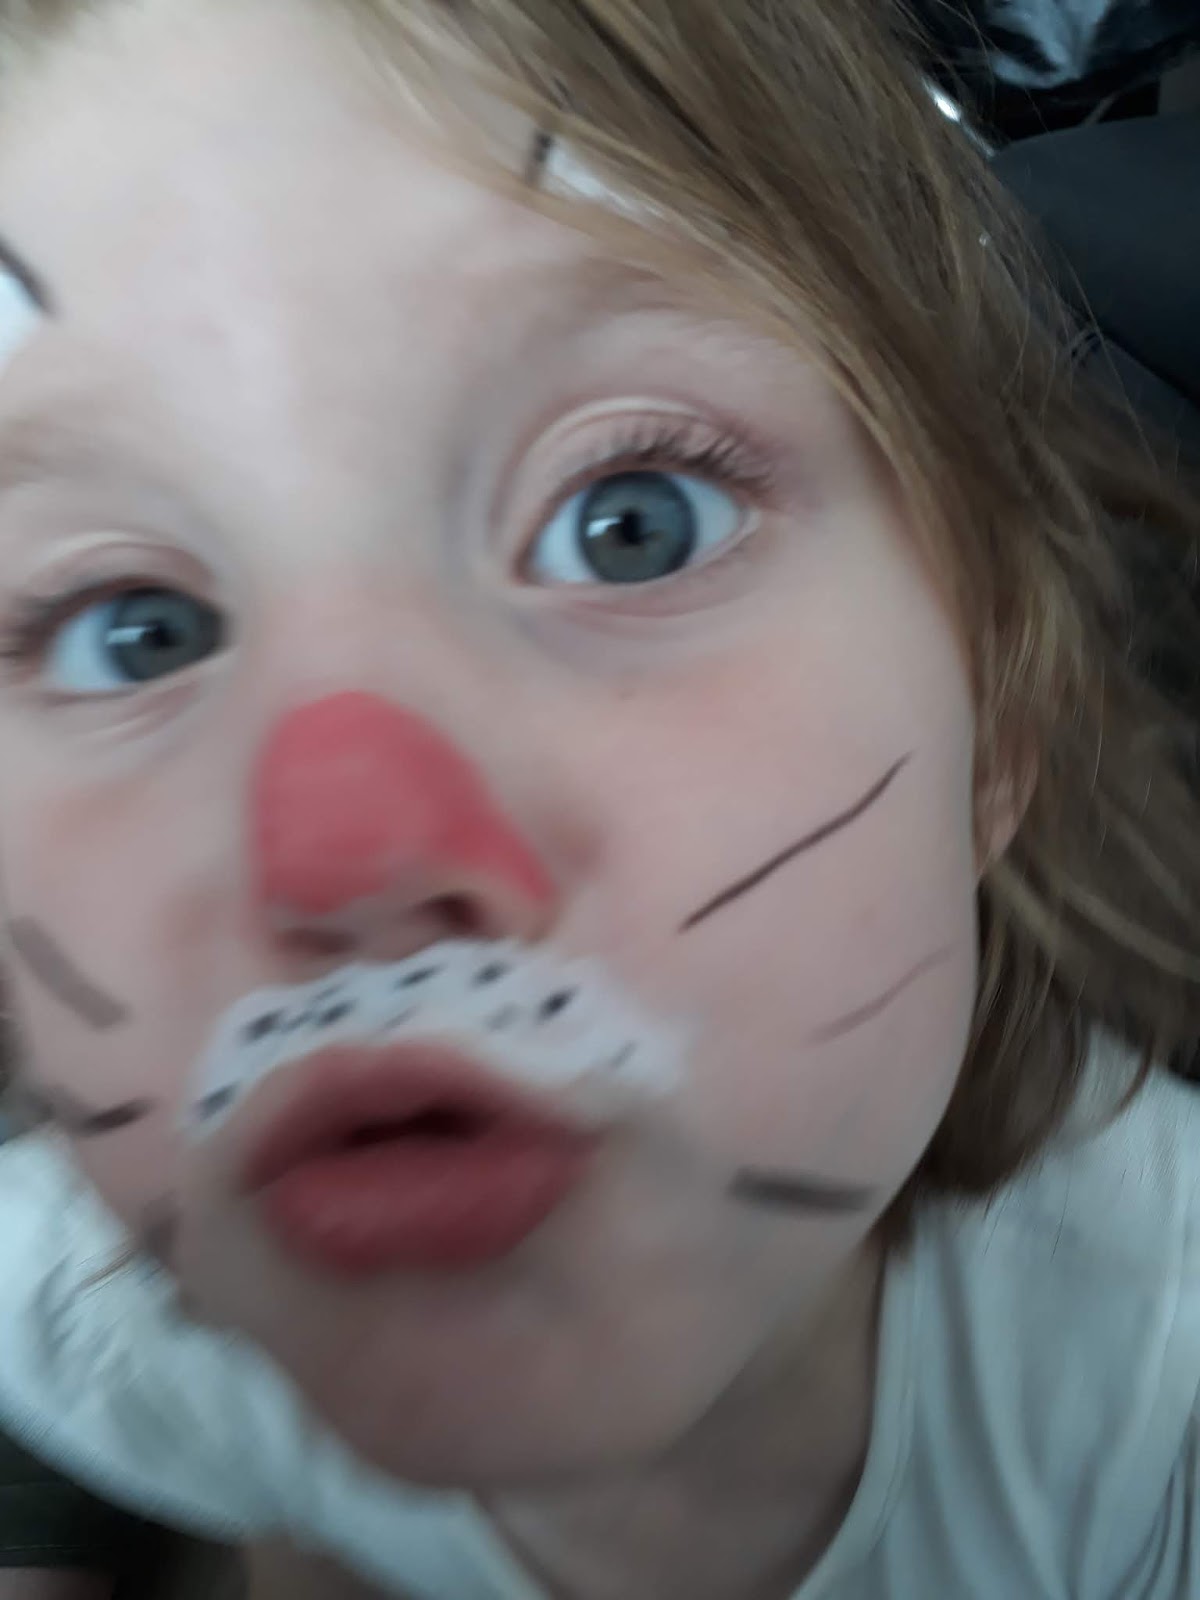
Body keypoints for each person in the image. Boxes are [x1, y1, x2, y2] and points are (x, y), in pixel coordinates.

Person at [0, 2, 1197, 1598]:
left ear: (995, 714)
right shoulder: (108, 1327)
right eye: (133, 630)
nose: (351, 855)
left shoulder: (1155, 1373)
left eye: (631, 522)